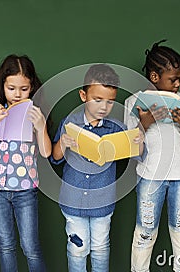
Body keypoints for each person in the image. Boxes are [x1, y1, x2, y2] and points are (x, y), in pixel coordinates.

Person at [50, 64, 145, 272]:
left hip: (103, 200)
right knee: (77, 248)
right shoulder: (70, 122)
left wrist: (139, 138)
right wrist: (63, 144)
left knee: (101, 247)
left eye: (110, 102)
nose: (104, 107)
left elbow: (137, 154)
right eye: (98, 100)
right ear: (83, 96)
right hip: (73, 200)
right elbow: (55, 158)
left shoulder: (116, 128)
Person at [124, 39, 180, 272]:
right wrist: (143, 124)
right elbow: (130, 148)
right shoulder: (134, 103)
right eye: (173, 79)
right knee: (145, 232)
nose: (178, 83)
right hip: (150, 177)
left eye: (179, 79)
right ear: (155, 77)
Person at [0, 54, 51, 272]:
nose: (17, 94)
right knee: (6, 246)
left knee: (30, 247)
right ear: (3, 85)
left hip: (25, 190)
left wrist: (41, 126)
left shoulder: (35, 114)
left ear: (32, 88)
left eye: (24, 88)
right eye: (11, 88)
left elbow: (47, 153)